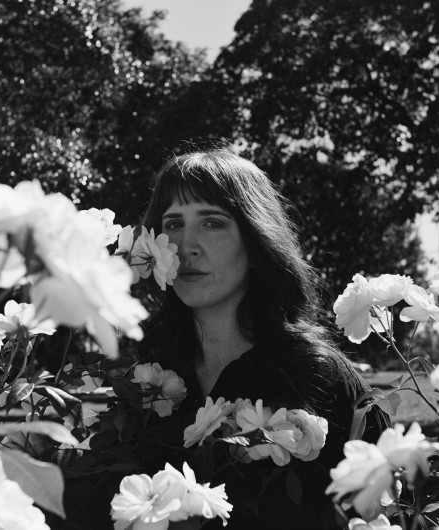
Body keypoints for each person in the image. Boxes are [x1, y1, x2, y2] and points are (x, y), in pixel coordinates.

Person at [136, 147, 390, 529]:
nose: (186, 245)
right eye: (173, 223)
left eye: (212, 223)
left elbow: (390, 512)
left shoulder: (320, 377)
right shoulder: (148, 376)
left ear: (256, 243)